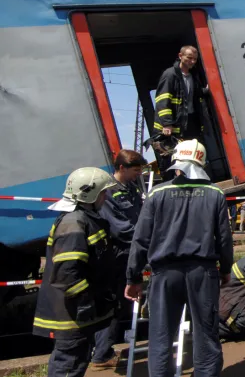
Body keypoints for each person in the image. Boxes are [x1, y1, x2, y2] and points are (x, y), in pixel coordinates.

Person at [125, 139, 234, 377]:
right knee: (206, 334)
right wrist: (226, 269)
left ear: (176, 164)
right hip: (202, 273)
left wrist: (133, 278)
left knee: (161, 335)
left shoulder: (157, 193)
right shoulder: (215, 193)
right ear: (202, 164)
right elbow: (224, 239)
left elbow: (141, 239)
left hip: (164, 274)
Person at [33, 167, 118, 377]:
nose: (105, 196)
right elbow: (67, 273)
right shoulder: (74, 222)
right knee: (68, 365)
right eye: (103, 192)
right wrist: (84, 302)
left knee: (75, 362)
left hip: (75, 312)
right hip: (71, 314)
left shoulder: (83, 218)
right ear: (90, 194)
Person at [91, 150, 147, 369]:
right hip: (117, 256)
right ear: (121, 168)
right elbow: (120, 229)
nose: (138, 174)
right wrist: (147, 239)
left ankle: (103, 351)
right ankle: (101, 355)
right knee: (113, 303)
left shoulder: (131, 188)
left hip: (131, 253)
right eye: (135, 170)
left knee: (121, 303)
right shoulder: (108, 194)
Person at [153, 46, 209, 180]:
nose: (192, 61)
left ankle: (194, 179)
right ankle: (177, 182)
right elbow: (162, 99)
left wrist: (208, 88)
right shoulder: (170, 74)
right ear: (180, 56)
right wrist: (167, 123)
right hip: (174, 125)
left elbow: (195, 95)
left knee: (192, 153)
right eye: (189, 58)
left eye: (195, 59)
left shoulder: (193, 75)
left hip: (190, 121)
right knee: (176, 156)